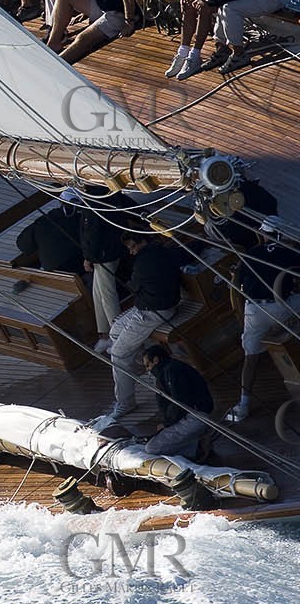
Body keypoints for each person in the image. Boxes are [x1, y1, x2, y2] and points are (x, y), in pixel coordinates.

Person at [90, 232, 182, 430]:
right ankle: (145, 365)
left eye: (133, 247)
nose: (131, 252)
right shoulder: (161, 251)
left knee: (118, 353)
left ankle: (126, 402)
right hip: (146, 307)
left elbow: (134, 286)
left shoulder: (143, 263)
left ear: (143, 241)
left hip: (154, 311)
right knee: (115, 331)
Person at [226, 216, 300, 422]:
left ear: (262, 234)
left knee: (250, 359)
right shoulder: (290, 253)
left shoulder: (250, 255)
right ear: (281, 234)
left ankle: (243, 405)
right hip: (283, 307)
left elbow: (238, 284)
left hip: (255, 312)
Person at [72, 187, 127, 352]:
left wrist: (89, 257)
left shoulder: (92, 205)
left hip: (104, 255)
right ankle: (105, 334)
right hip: (109, 252)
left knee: (107, 295)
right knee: (98, 293)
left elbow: (92, 234)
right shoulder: (108, 197)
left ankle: (118, 336)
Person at [140, 345, 214, 459]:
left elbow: (180, 402)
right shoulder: (169, 369)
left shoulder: (173, 371)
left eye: (148, 365)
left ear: (155, 360)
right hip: (191, 415)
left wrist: (167, 424)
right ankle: (196, 444)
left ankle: (198, 446)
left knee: (152, 448)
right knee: (155, 440)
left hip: (195, 416)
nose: (148, 370)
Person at [16, 196, 84, 274]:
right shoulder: (83, 222)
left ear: (61, 202)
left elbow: (23, 246)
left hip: (52, 271)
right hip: (79, 269)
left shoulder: (43, 221)